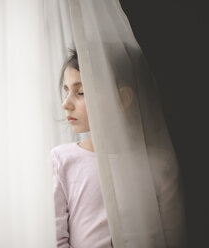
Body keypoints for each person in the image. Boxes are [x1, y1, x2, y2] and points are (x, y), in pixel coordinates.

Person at [51, 48, 186, 248]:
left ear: (123, 98)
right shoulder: (61, 160)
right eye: (66, 90)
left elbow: (175, 240)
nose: (66, 104)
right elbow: (55, 240)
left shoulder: (159, 165)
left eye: (81, 92)